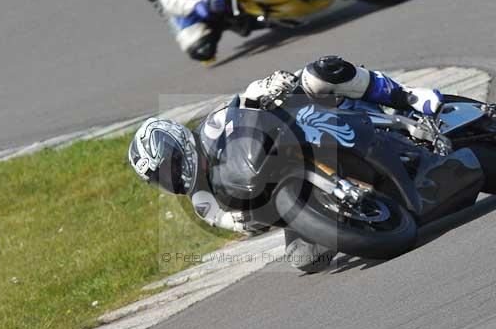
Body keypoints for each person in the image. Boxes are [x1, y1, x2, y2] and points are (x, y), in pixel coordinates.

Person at [128, 56, 444, 270]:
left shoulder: (212, 128)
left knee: (319, 72)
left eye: (168, 166)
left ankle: (408, 97)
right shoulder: (201, 202)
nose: (171, 177)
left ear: (176, 143)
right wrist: (245, 222)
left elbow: (244, 105)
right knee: (305, 260)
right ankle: (366, 212)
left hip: (298, 134)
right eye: (161, 178)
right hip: (290, 195)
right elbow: (237, 223)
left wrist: (265, 88)